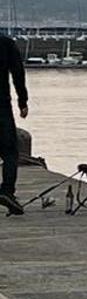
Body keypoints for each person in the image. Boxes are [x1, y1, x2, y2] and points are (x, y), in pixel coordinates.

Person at [0, 32, 29, 216]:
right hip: (1, 105)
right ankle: (7, 191)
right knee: (10, 152)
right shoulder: (6, 43)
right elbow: (18, 72)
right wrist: (23, 102)